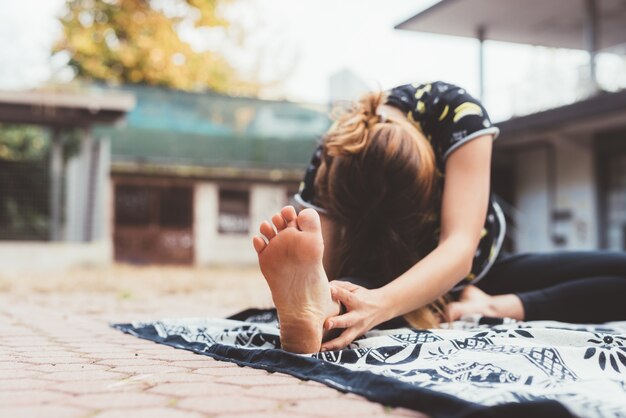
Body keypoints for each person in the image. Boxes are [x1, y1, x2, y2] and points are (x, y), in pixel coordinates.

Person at [252, 81, 626, 354]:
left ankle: (494, 305)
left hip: (475, 270)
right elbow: (327, 267)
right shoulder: (335, 151)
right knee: (344, 290)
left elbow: (460, 245)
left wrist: (382, 304)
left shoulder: (455, 113)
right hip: (378, 270)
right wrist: (326, 289)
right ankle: (320, 314)